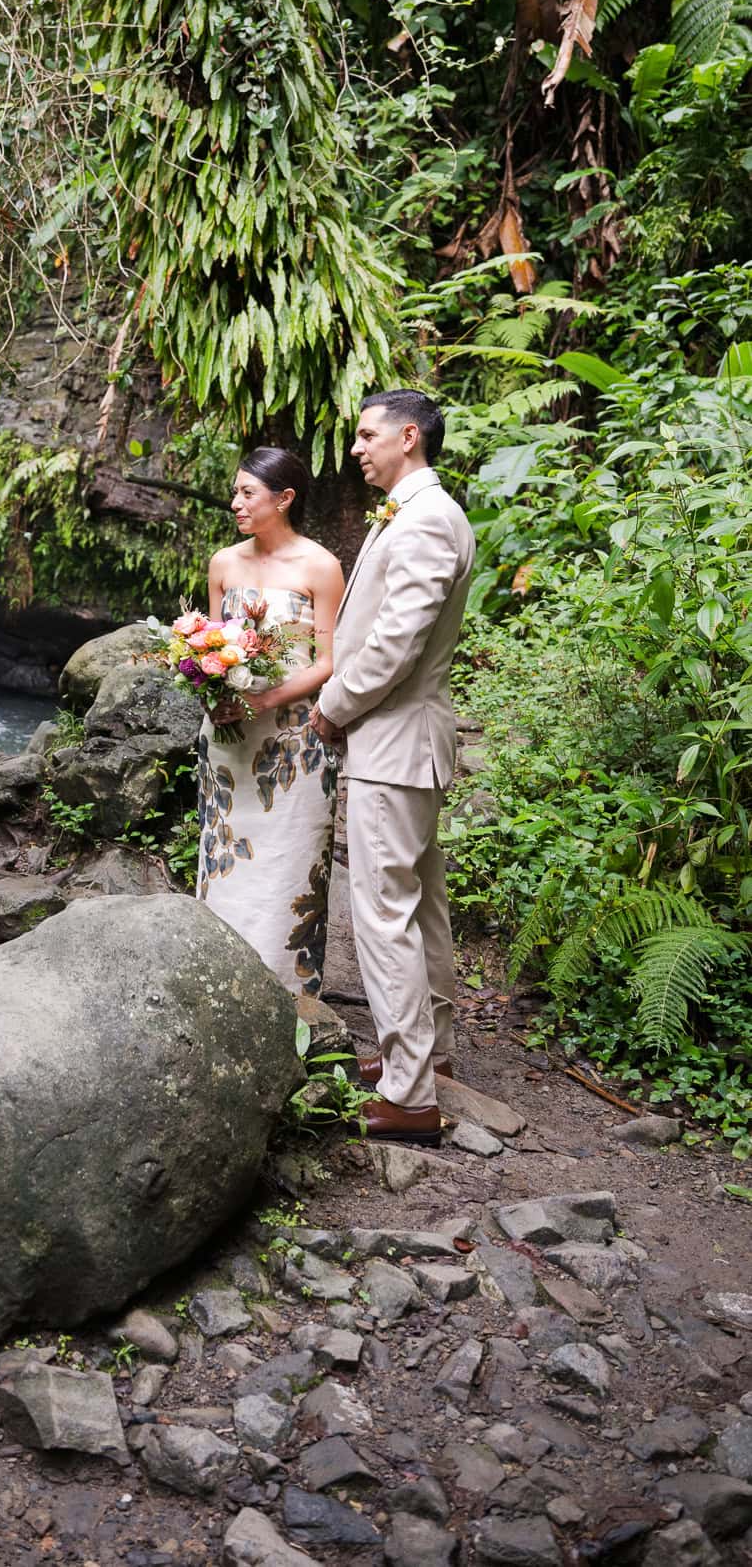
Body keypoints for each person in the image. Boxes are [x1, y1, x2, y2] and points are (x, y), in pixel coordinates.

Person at [310, 388, 475, 1147]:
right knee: (420, 902)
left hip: (395, 738)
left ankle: (411, 1096)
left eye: (367, 434)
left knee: (382, 911)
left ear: (409, 437)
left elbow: (394, 643)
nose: (356, 448)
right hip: (406, 741)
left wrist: (334, 704)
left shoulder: (429, 519)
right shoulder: (417, 513)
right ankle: (424, 1052)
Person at [195, 446, 345, 995]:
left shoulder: (321, 566)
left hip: (295, 742)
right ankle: (217, 982)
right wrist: (214, 697)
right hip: (229, 737)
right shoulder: (223, 563)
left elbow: (329, 662)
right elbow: (211, 648)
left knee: (288, 857)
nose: (235, 502)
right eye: (235, 491)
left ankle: (287, 992)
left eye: (247, 493)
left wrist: (266, 699)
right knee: (226, 854)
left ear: (284, 499)